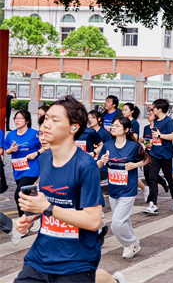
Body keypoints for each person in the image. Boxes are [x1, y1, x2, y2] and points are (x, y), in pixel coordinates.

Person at [14, 95, 105, 283]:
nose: (46, 124)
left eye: (55, 120)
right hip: (39, 257)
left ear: (74, 127)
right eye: (46, 118)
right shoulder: (44, 159)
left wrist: (47, 208)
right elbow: (50, 199)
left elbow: (93, 221)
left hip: (75, 262)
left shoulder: (85, 165)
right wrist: (31, 216)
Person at [97, 117, 149, 259]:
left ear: (126, 130)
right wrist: (101, 161)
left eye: (117, 126)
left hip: (128, 189)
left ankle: (129, 244)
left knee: (116, 223)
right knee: (123, 220)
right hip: (113, 189)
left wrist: (134, 165)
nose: (113, 128)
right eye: (112, 125)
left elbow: (146, 159)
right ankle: (136, 243)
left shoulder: (133, 146)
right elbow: (98, 165)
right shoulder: (107, 145)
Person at [143, 99, 173, 214]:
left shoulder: (169, 121)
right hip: (154, 153)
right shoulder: (154, 121)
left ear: (159, 109)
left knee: (169, 178)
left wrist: (160, 135)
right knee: (151, 178)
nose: (151, 109)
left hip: (166, 154)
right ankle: (153, 204)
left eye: (153, 108)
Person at [5, 110, 42, 225]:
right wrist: (11, 150)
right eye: (16, 118)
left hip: (32, 169)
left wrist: (36, 154)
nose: (17, 120)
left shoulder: (34, 134)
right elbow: (6, 151)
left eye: (20, 118)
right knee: (27, 196)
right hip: (18, 169)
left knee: (18, 195)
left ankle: (24, 222)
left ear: (27, 121)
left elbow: (47, 146)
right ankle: (34, 218)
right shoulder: (10, 135)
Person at [141, 107, 169, 201]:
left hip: (156, 153)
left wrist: (153, 141)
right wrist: (144, 141)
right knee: (146, 172)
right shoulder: (146, 128)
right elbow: (146, 141)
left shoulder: (158, 128)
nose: (148, 116)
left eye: (150, 115)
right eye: (148, 114)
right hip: (147, 152)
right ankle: (152, 192)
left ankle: (162, 183)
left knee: (152, 174)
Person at [88, 110, 113, 181]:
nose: (90, 120)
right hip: (88, 161)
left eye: (92, 118)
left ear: (99, 119)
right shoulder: (86, 132)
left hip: (100, 161)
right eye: (88, 118)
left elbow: (109, 146)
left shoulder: (105, 133)